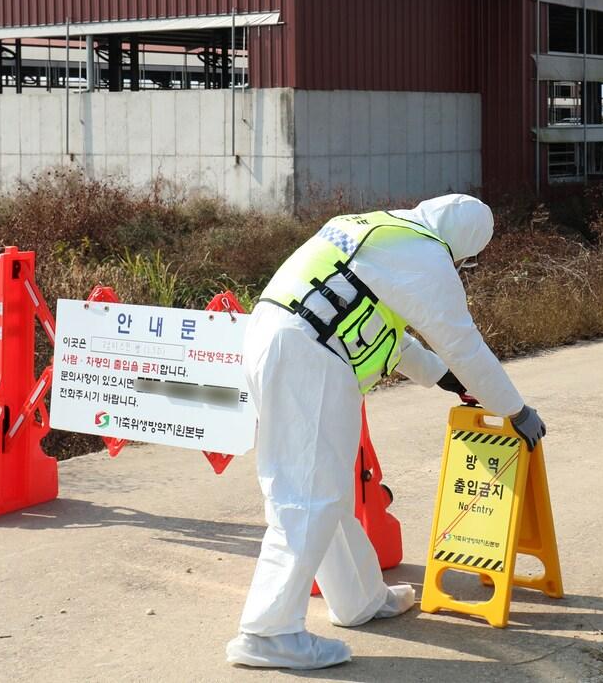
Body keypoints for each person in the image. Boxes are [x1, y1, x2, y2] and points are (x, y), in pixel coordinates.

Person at [225, 194, 546, 670]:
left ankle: (359, 598)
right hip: (308, 356)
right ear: (462, 245)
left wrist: (441, 377)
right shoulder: (425, 254)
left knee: (322, 490)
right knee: (306, 496)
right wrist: (515, 410)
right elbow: (464, 343)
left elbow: (377, 324)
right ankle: (267, 632)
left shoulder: (376, 228)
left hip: (280, 339)